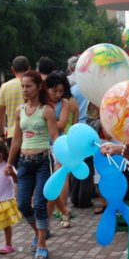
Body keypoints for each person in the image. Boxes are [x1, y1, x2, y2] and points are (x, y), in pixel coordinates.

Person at [6, 70, 61, 259]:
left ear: (38, 87)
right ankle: (40, 234)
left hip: (42, 162)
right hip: (24, 163)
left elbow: (55, 138)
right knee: (22, 204)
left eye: (28, 86)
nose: (25, 90)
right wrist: (9, 163)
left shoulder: (47, 110)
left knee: (39, 204)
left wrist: (59, 160)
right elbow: (16, 140)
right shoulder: (19, 111)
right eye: (23, 86)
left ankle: (42, 246)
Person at [46, 72, 75, 228]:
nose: (58, 94)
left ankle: (63, 212)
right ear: (47, 89)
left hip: (59, 145)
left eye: (61, 91)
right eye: (54, 91)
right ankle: (58, 213)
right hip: (42, 146)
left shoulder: (64, 103)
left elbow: (62, 124)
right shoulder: (41, 102)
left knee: (61, 177)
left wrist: (46, 121)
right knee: (48, 181)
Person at [0, 56, 31, 146]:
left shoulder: (5, 87)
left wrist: (1, 134)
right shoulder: (33, 85)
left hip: (12, 134)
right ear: (29, 69)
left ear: (13, 69)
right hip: (31, 134)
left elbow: (0, 113)